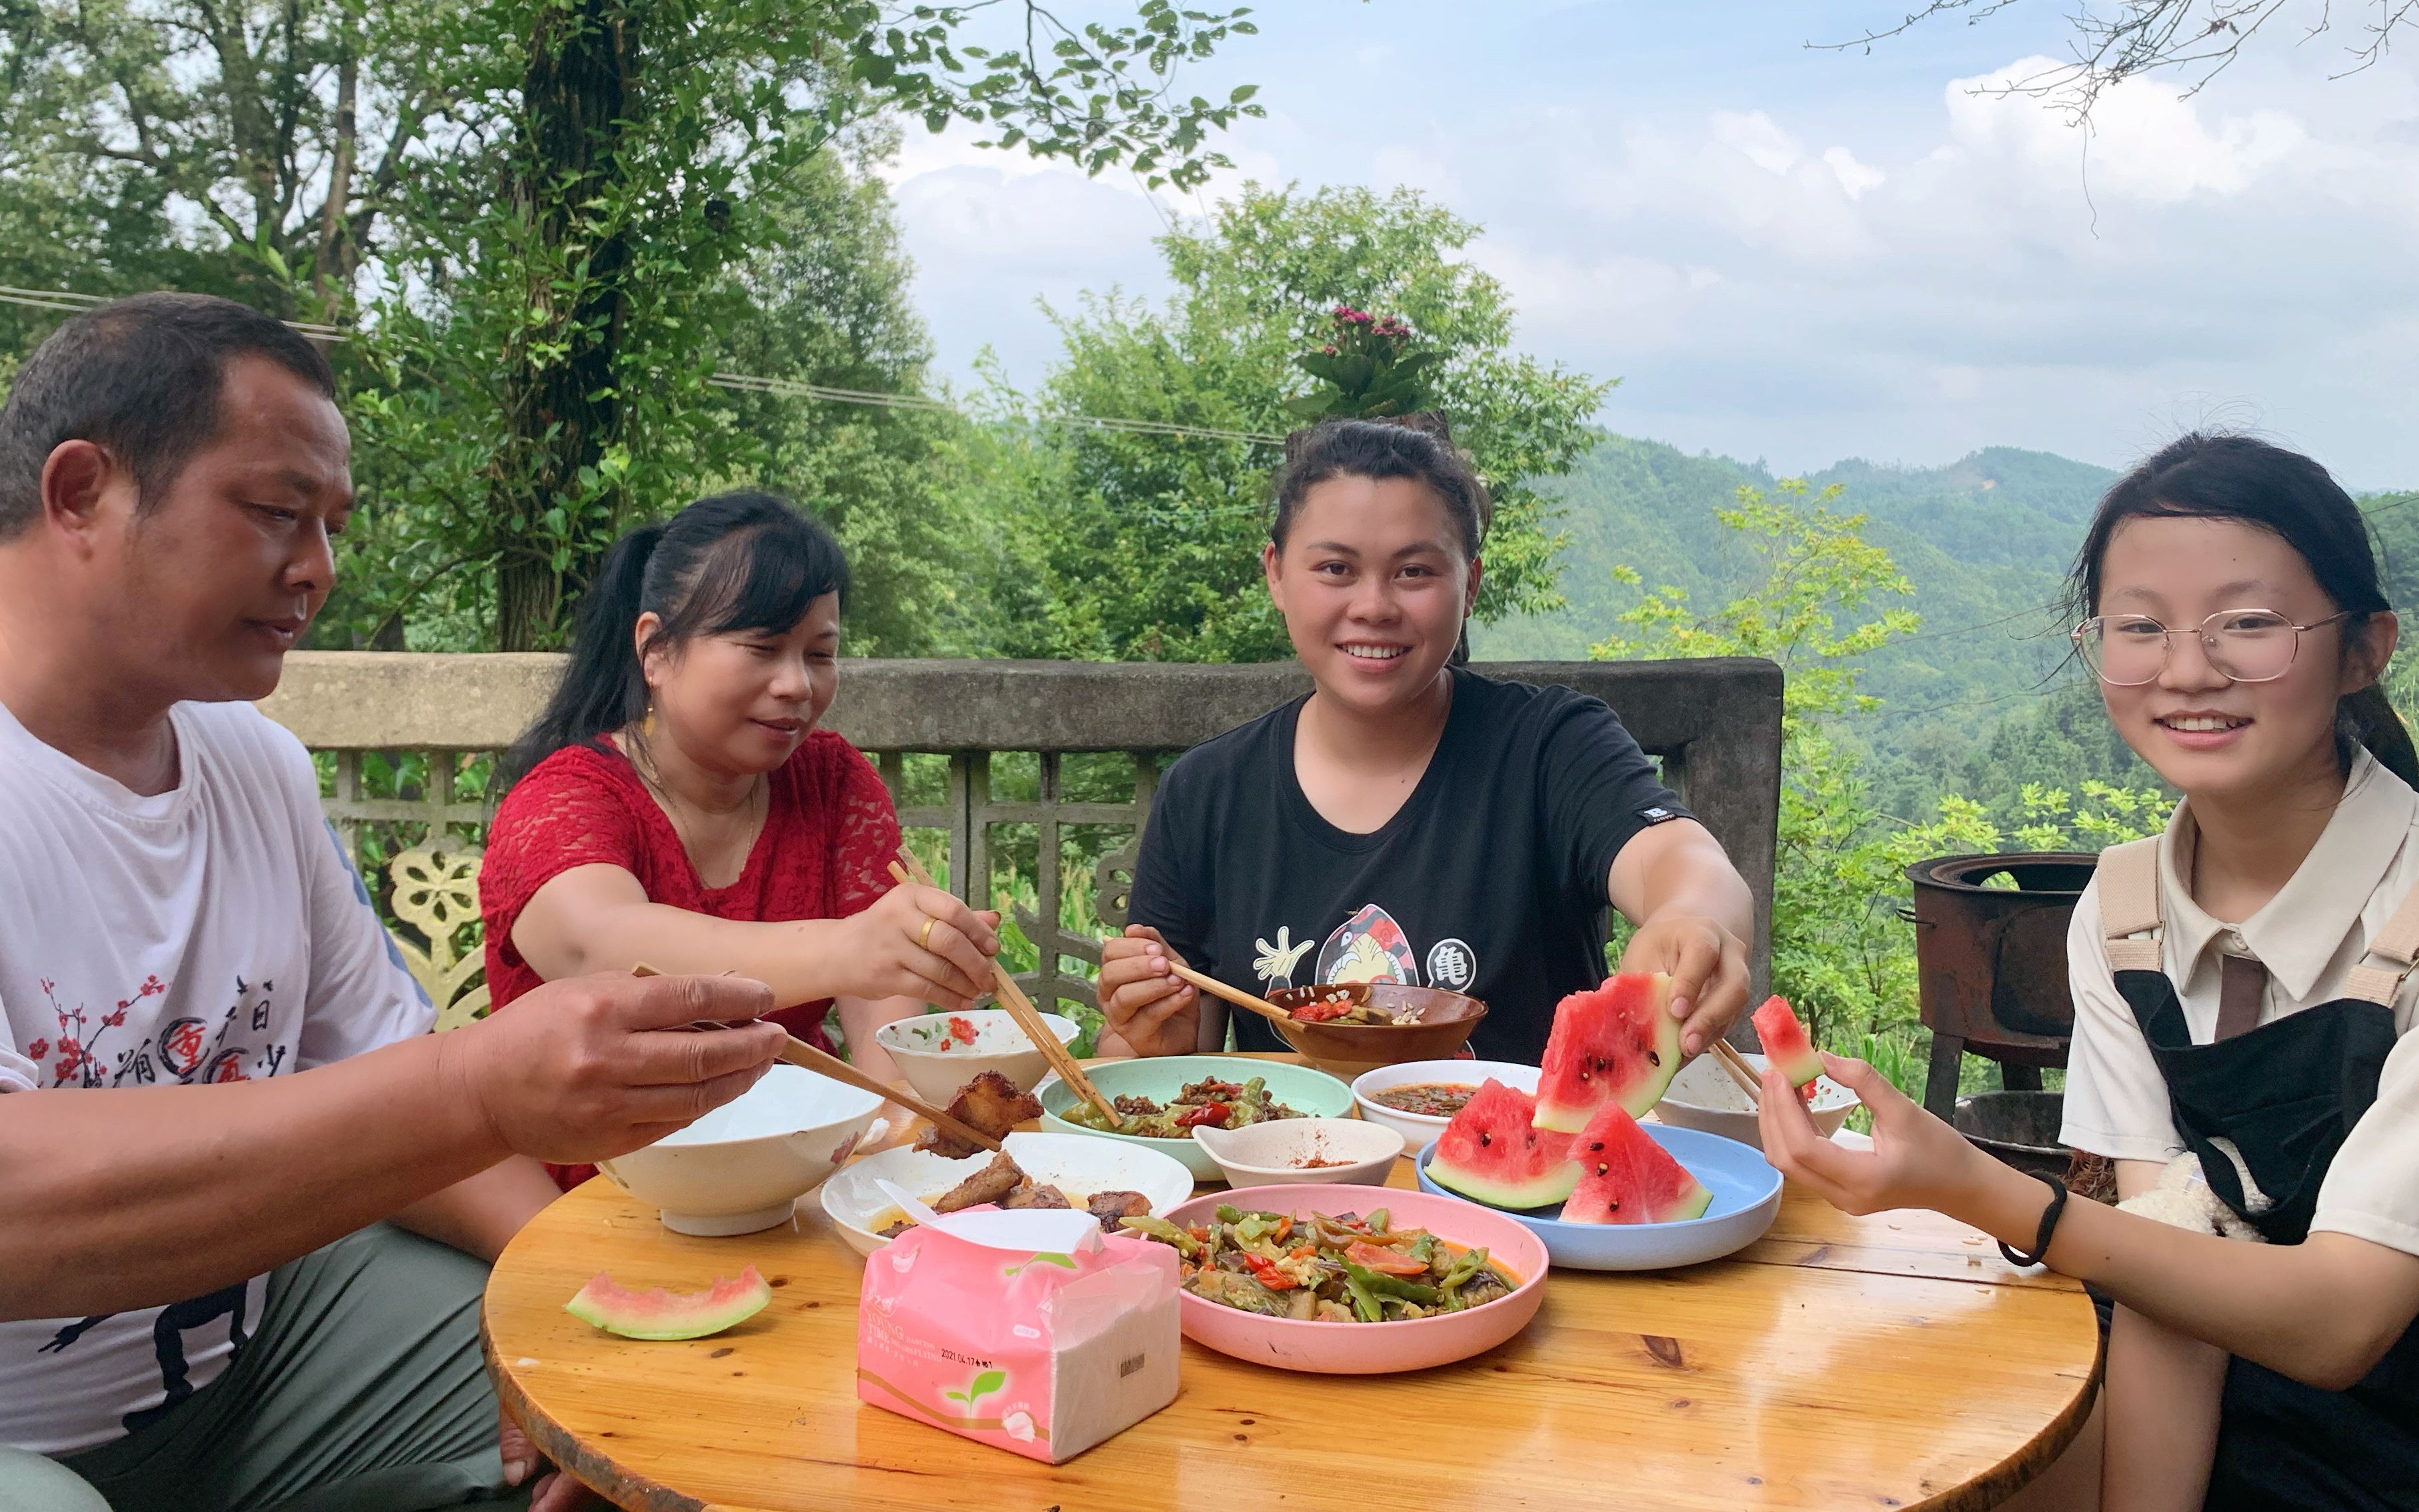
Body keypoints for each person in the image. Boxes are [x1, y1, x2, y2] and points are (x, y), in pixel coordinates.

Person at [0, 291, 787, 1512]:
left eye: (331, 523)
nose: (317, 567)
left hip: (253, 1355)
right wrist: (478, 1084)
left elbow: (388, 1079)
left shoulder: (255, 762)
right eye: (274, 512)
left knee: (645, 1420)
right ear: (82, 492)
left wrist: (579, 1323)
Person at [1760, 433, 2419, 1512]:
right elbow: (2163, 1272)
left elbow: (2343, 1318)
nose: (2186, 668)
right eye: (2140, 625)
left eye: (2247, 623)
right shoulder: (2121, 913)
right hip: (2220, 1430)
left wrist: (1982, 1192)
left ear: (2361, 648)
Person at [1096, 417, 1756, 1063]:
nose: (1374, 605)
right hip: (1294, 1169)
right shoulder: (1207, 793)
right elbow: (1166, 1063)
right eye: (1334, 568)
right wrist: (1152, 1038)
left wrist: (1688, 918)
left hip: (1535, 1163)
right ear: (1275, 574)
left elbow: (1679, 861)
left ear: (1468, 585)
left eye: (1413, 572)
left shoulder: (1550, 746)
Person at [479, 493, 1001, 1188]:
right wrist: (850, 947)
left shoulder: (832, 780)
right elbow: (597, 948)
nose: (796, 685)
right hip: (604, 1189)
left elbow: (886, 1057)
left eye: (820, 654)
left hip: (795, 1172)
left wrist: (891, 1175)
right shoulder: (567, 795)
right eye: (761, 649)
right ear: (656, 651)